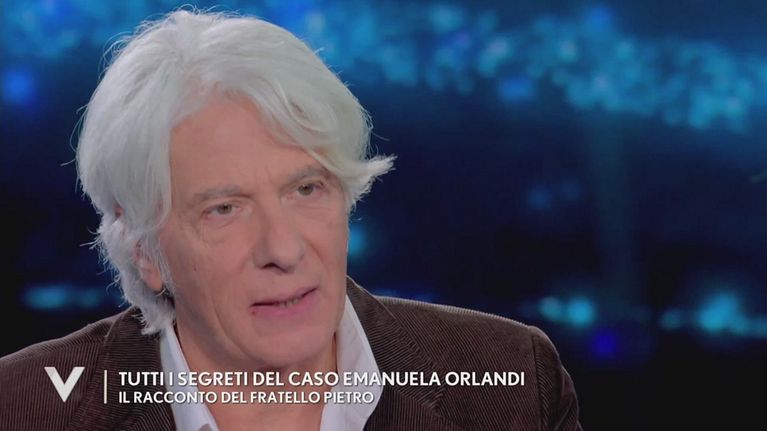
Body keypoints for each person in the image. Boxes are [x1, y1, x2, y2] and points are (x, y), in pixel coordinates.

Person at [0, 9, 581, 431]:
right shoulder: (23, 407)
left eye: (306, 189)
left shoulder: (510, 385)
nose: (283, 249)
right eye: (224, 209)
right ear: (143, 250)